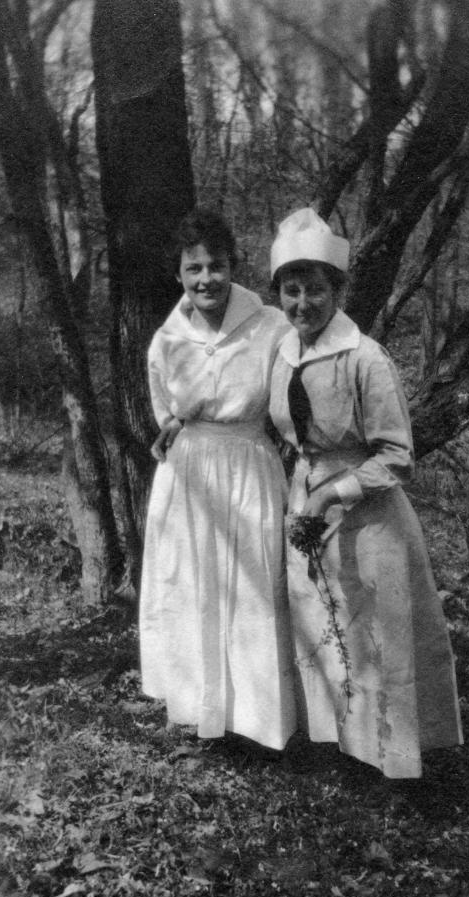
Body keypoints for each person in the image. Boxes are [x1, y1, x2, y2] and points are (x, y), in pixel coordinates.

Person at [268, 208, 462, 779]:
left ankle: (393, 760)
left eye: (317, 290)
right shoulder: (282, 352)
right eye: (292, 290)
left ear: (339, 290)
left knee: (379, 632)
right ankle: (339, 743)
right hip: (304, 500)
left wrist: (333, 494)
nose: (304, 304)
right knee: (324, 624)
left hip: (369, 513)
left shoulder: (366, 357)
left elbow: (397, 457)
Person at [139, 208, 296, 750]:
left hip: (250, 464)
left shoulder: (271, 325)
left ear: (234, 266)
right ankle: (196, 710)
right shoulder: (167, 339)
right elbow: (166, 406)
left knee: (252, 588)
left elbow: (286, 402)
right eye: (194, 268)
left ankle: (257, 720)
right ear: (178, 274)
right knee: (192, 587)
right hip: (188, 477)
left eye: (216, 265)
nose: (206, 278)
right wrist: (175, 423)